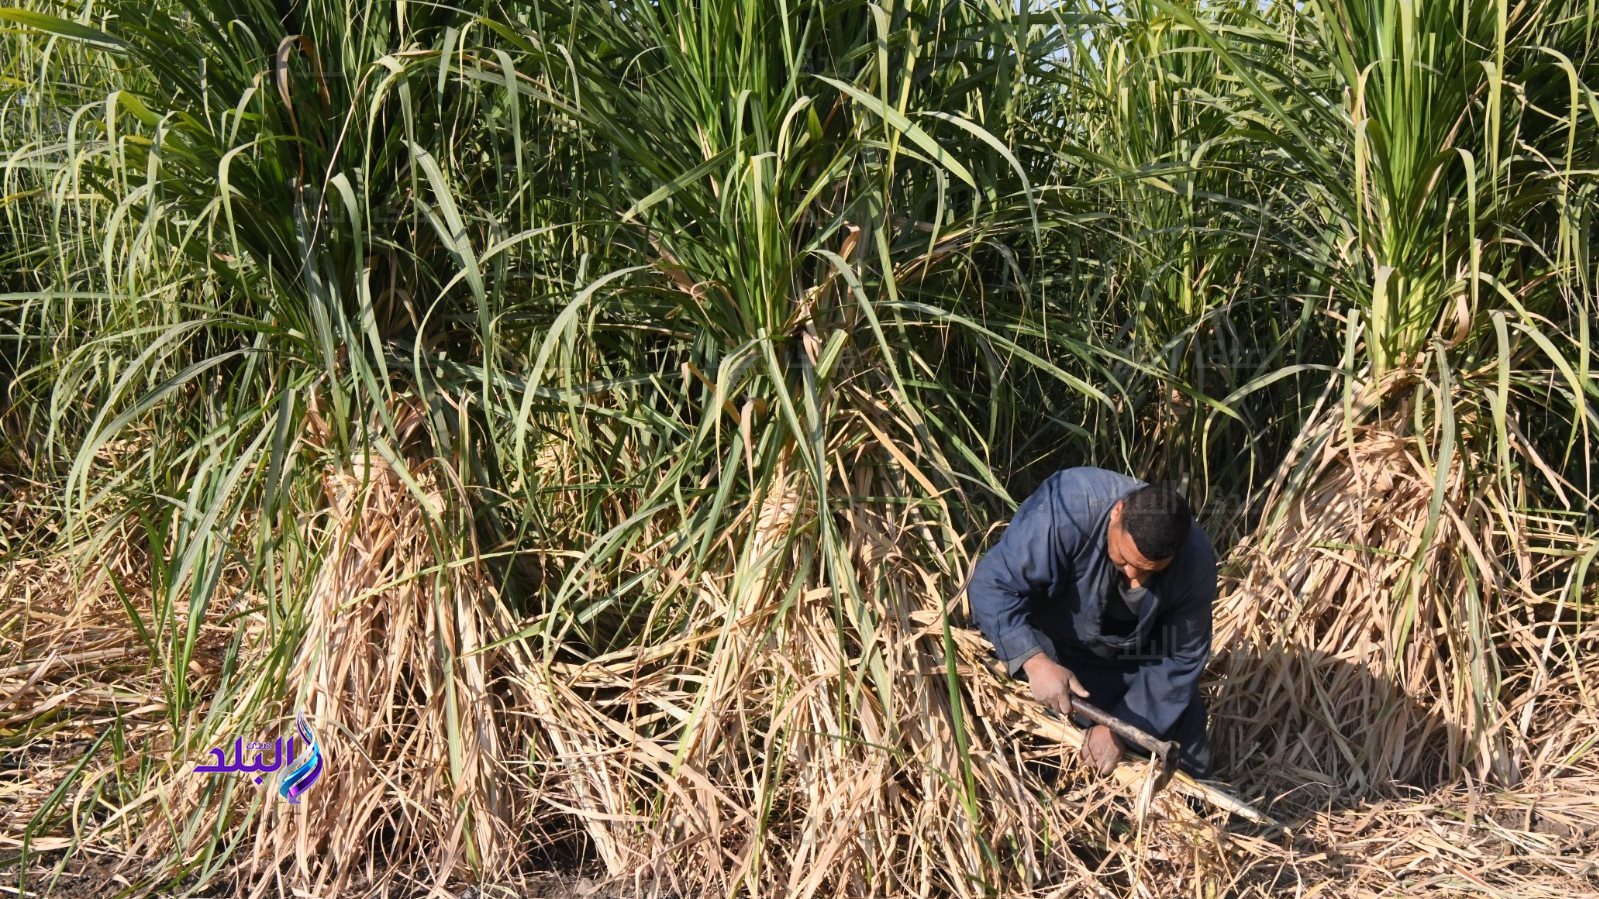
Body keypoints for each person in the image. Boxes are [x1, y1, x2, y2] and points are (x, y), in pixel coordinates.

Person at [966, 467, 1215, 777]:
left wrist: (1122, 730)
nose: (1134, 579)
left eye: (1150, 571)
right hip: (1049, 644)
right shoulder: (1068, 506)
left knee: (1190, 771)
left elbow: (1180, 658)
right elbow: (993, 585)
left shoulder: (1195, 561)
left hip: (1134, 668)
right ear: (1117, 513)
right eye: (1125, 561)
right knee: (1032, 763)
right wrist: (1032, 660)